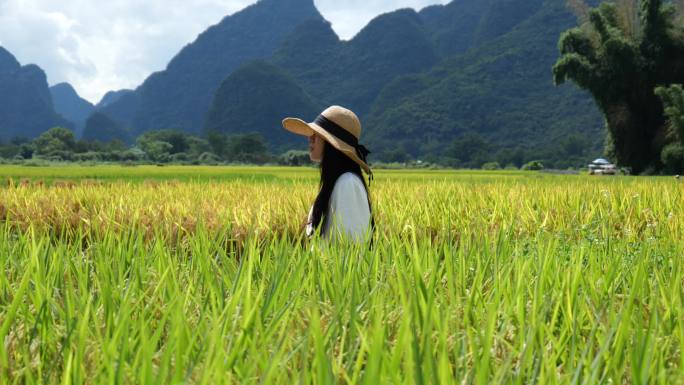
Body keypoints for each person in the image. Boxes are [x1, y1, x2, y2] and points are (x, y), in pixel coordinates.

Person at [282, 105, 374, 244]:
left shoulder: (348, 183)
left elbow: (353, 248)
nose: (310, 139)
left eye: (316, 134)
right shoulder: (336, 182)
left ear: (332, 143)